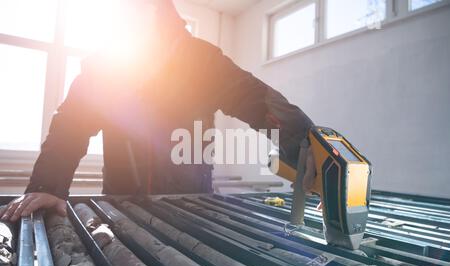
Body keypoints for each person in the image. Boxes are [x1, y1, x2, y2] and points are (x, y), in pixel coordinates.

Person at [0, 0, 316, 223]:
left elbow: (258, 101)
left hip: (195, 204)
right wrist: (47, 187)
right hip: (122, 204)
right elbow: (69, 130)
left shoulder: (200, 60)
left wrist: (307, 144)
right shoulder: (102, 68)